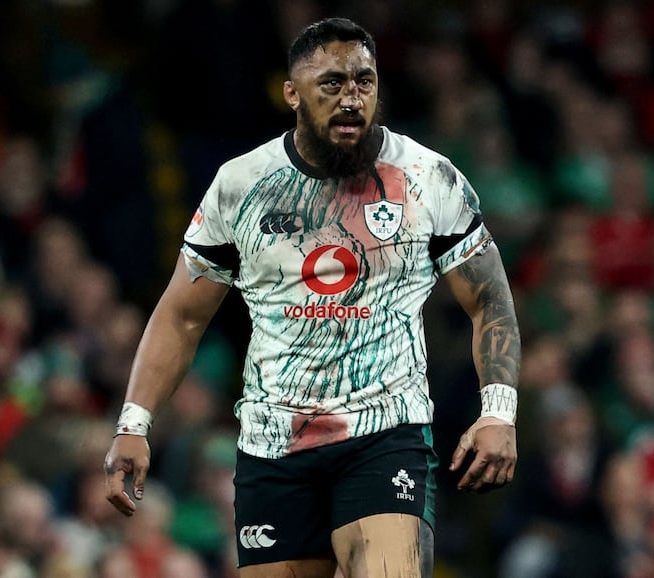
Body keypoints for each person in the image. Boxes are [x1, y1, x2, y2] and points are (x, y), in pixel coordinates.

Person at [104, 17, 521, 578]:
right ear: (292, 94)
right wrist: (133, 424)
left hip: (386, 435)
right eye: (332, 83)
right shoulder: (241, 185)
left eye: (364, 82)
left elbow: (490, 299)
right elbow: (181, 317)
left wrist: (499, 412)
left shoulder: (428, 177)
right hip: (274, 447)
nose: (351, 98)